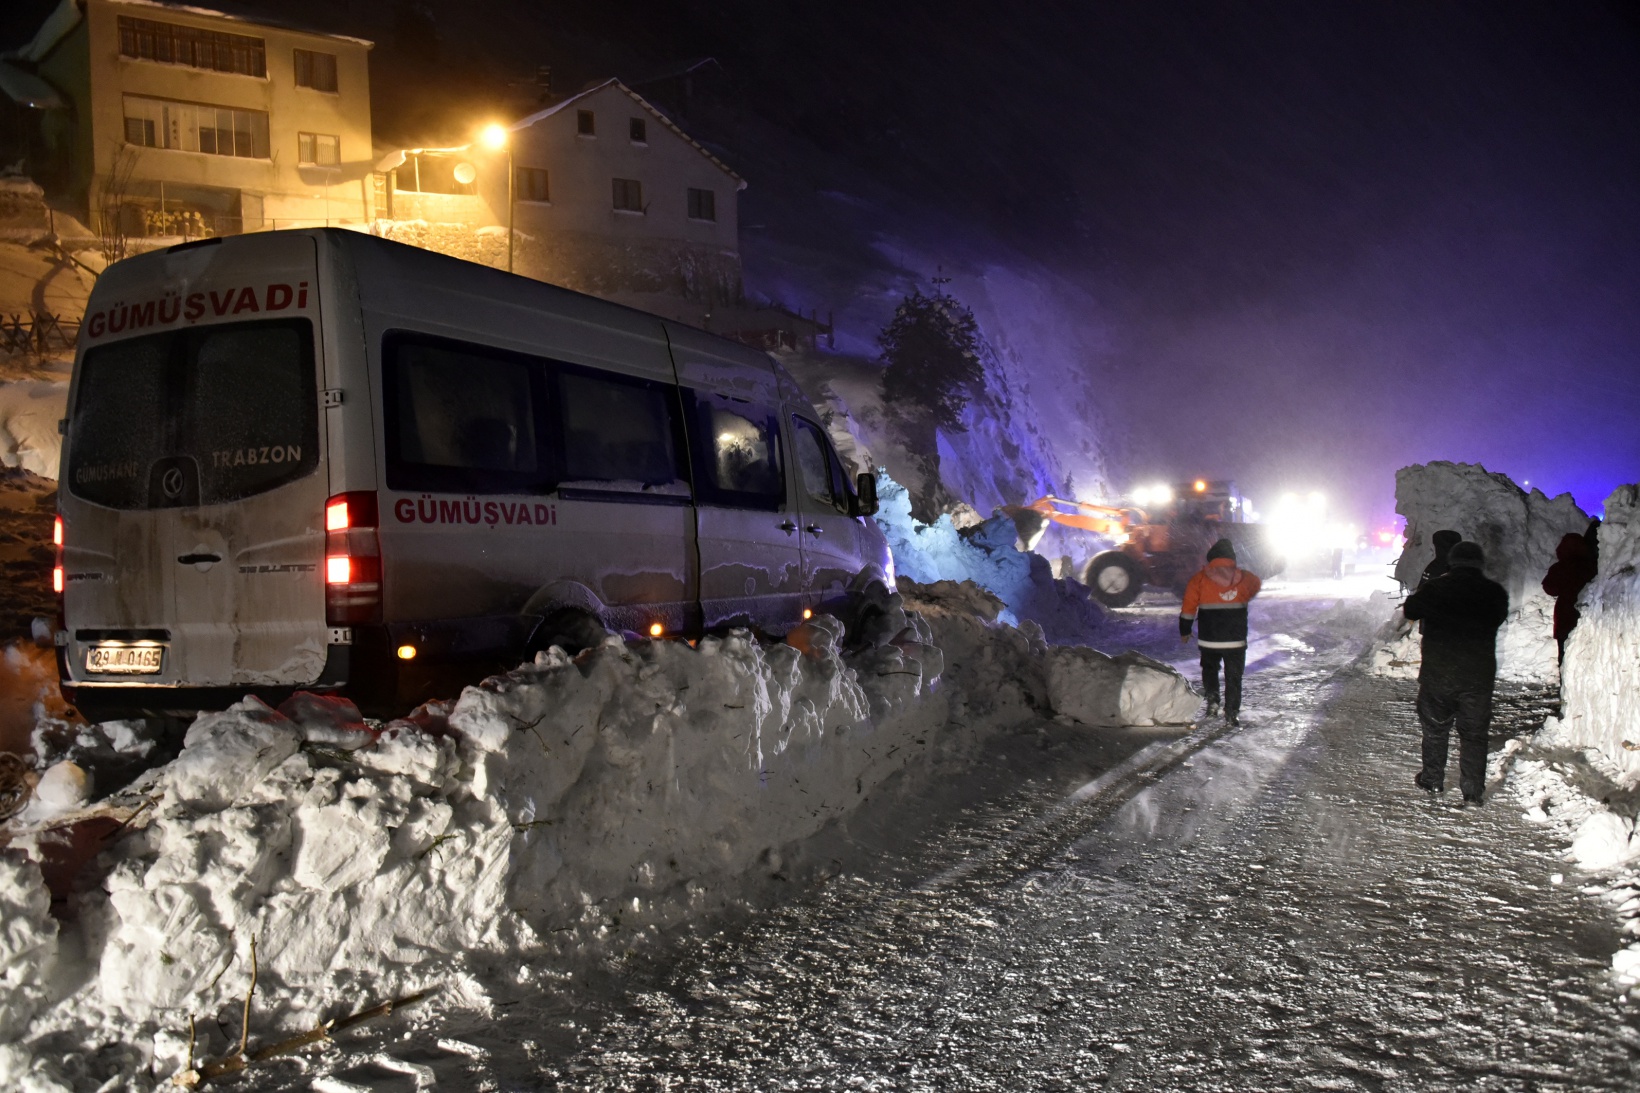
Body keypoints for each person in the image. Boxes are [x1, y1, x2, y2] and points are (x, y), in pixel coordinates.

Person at [1401, 540, 1508, 804]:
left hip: (1439, 672)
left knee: (1436, 729)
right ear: (1480, 563)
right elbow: (1498, 617)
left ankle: (1433, 780)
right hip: (1477, 676)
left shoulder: (1436, 587)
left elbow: (1410, 609)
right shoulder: (1494, 592)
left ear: (1452, 562)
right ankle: (1472, 791)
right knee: (1474, 734)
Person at [1180, 537, 1262, 725]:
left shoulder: (1199, 578)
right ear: (1232, 558)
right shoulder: (1245, 577)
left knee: (1210, 669)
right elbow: (1255, 584)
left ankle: (1213, 700)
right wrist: (1242, 595)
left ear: (1212, 558)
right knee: (1234, 674)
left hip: (1210, 639)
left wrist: (1185, 630)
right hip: (1236, 639)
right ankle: (1232, 710)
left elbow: (1188, 607)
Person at [1541, 531, 1597, 663]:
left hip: (1565, 614)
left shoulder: (1560, 568)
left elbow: (1550, 588)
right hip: (1588, 613)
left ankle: (1566, 680)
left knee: (1565, 653)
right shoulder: (1591, 566)